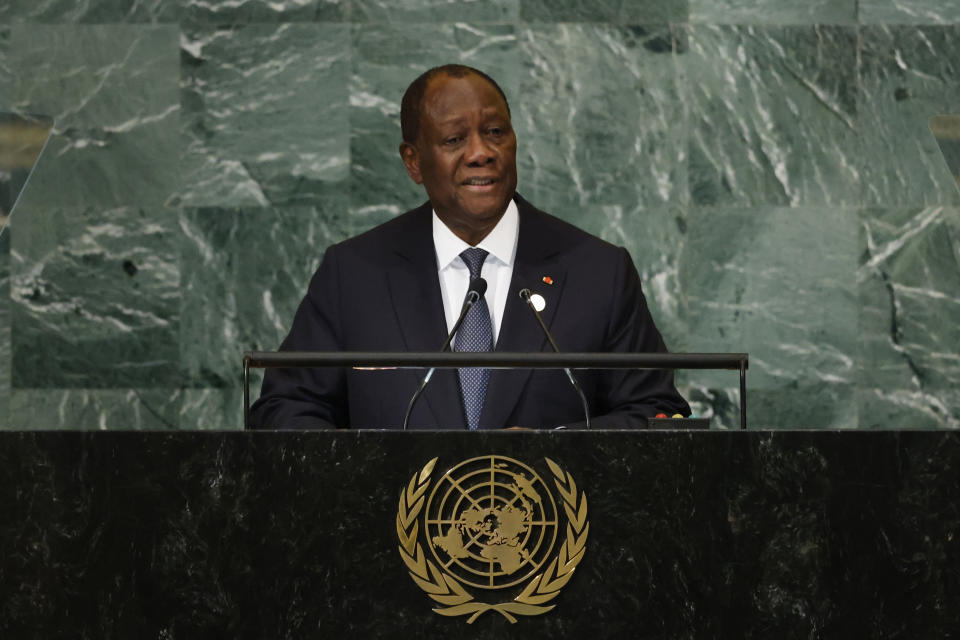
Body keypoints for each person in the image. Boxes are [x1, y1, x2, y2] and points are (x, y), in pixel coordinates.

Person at [250, 64, 690, 429]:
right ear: (413, 162)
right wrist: (370, 479)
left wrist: (555, 450)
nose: (481, 152)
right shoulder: (355, 273)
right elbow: (285, 410)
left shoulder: (598, 272)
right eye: (454, 140)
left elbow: (658, 414)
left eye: (495, 131)